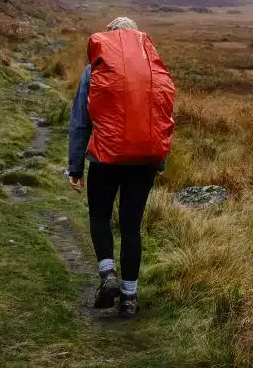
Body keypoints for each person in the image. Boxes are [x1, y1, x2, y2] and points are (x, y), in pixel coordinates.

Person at [67, 16, 176, 318]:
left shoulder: (95, 69)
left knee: (100, 216)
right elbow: (163, 118)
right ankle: (129, 298)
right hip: (144, 162)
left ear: (110, 38)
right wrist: (159, 160)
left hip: (105, 159)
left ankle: (108, 275)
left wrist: (75, 167)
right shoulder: (153, 71)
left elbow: (80, 122)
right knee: (131, 226)